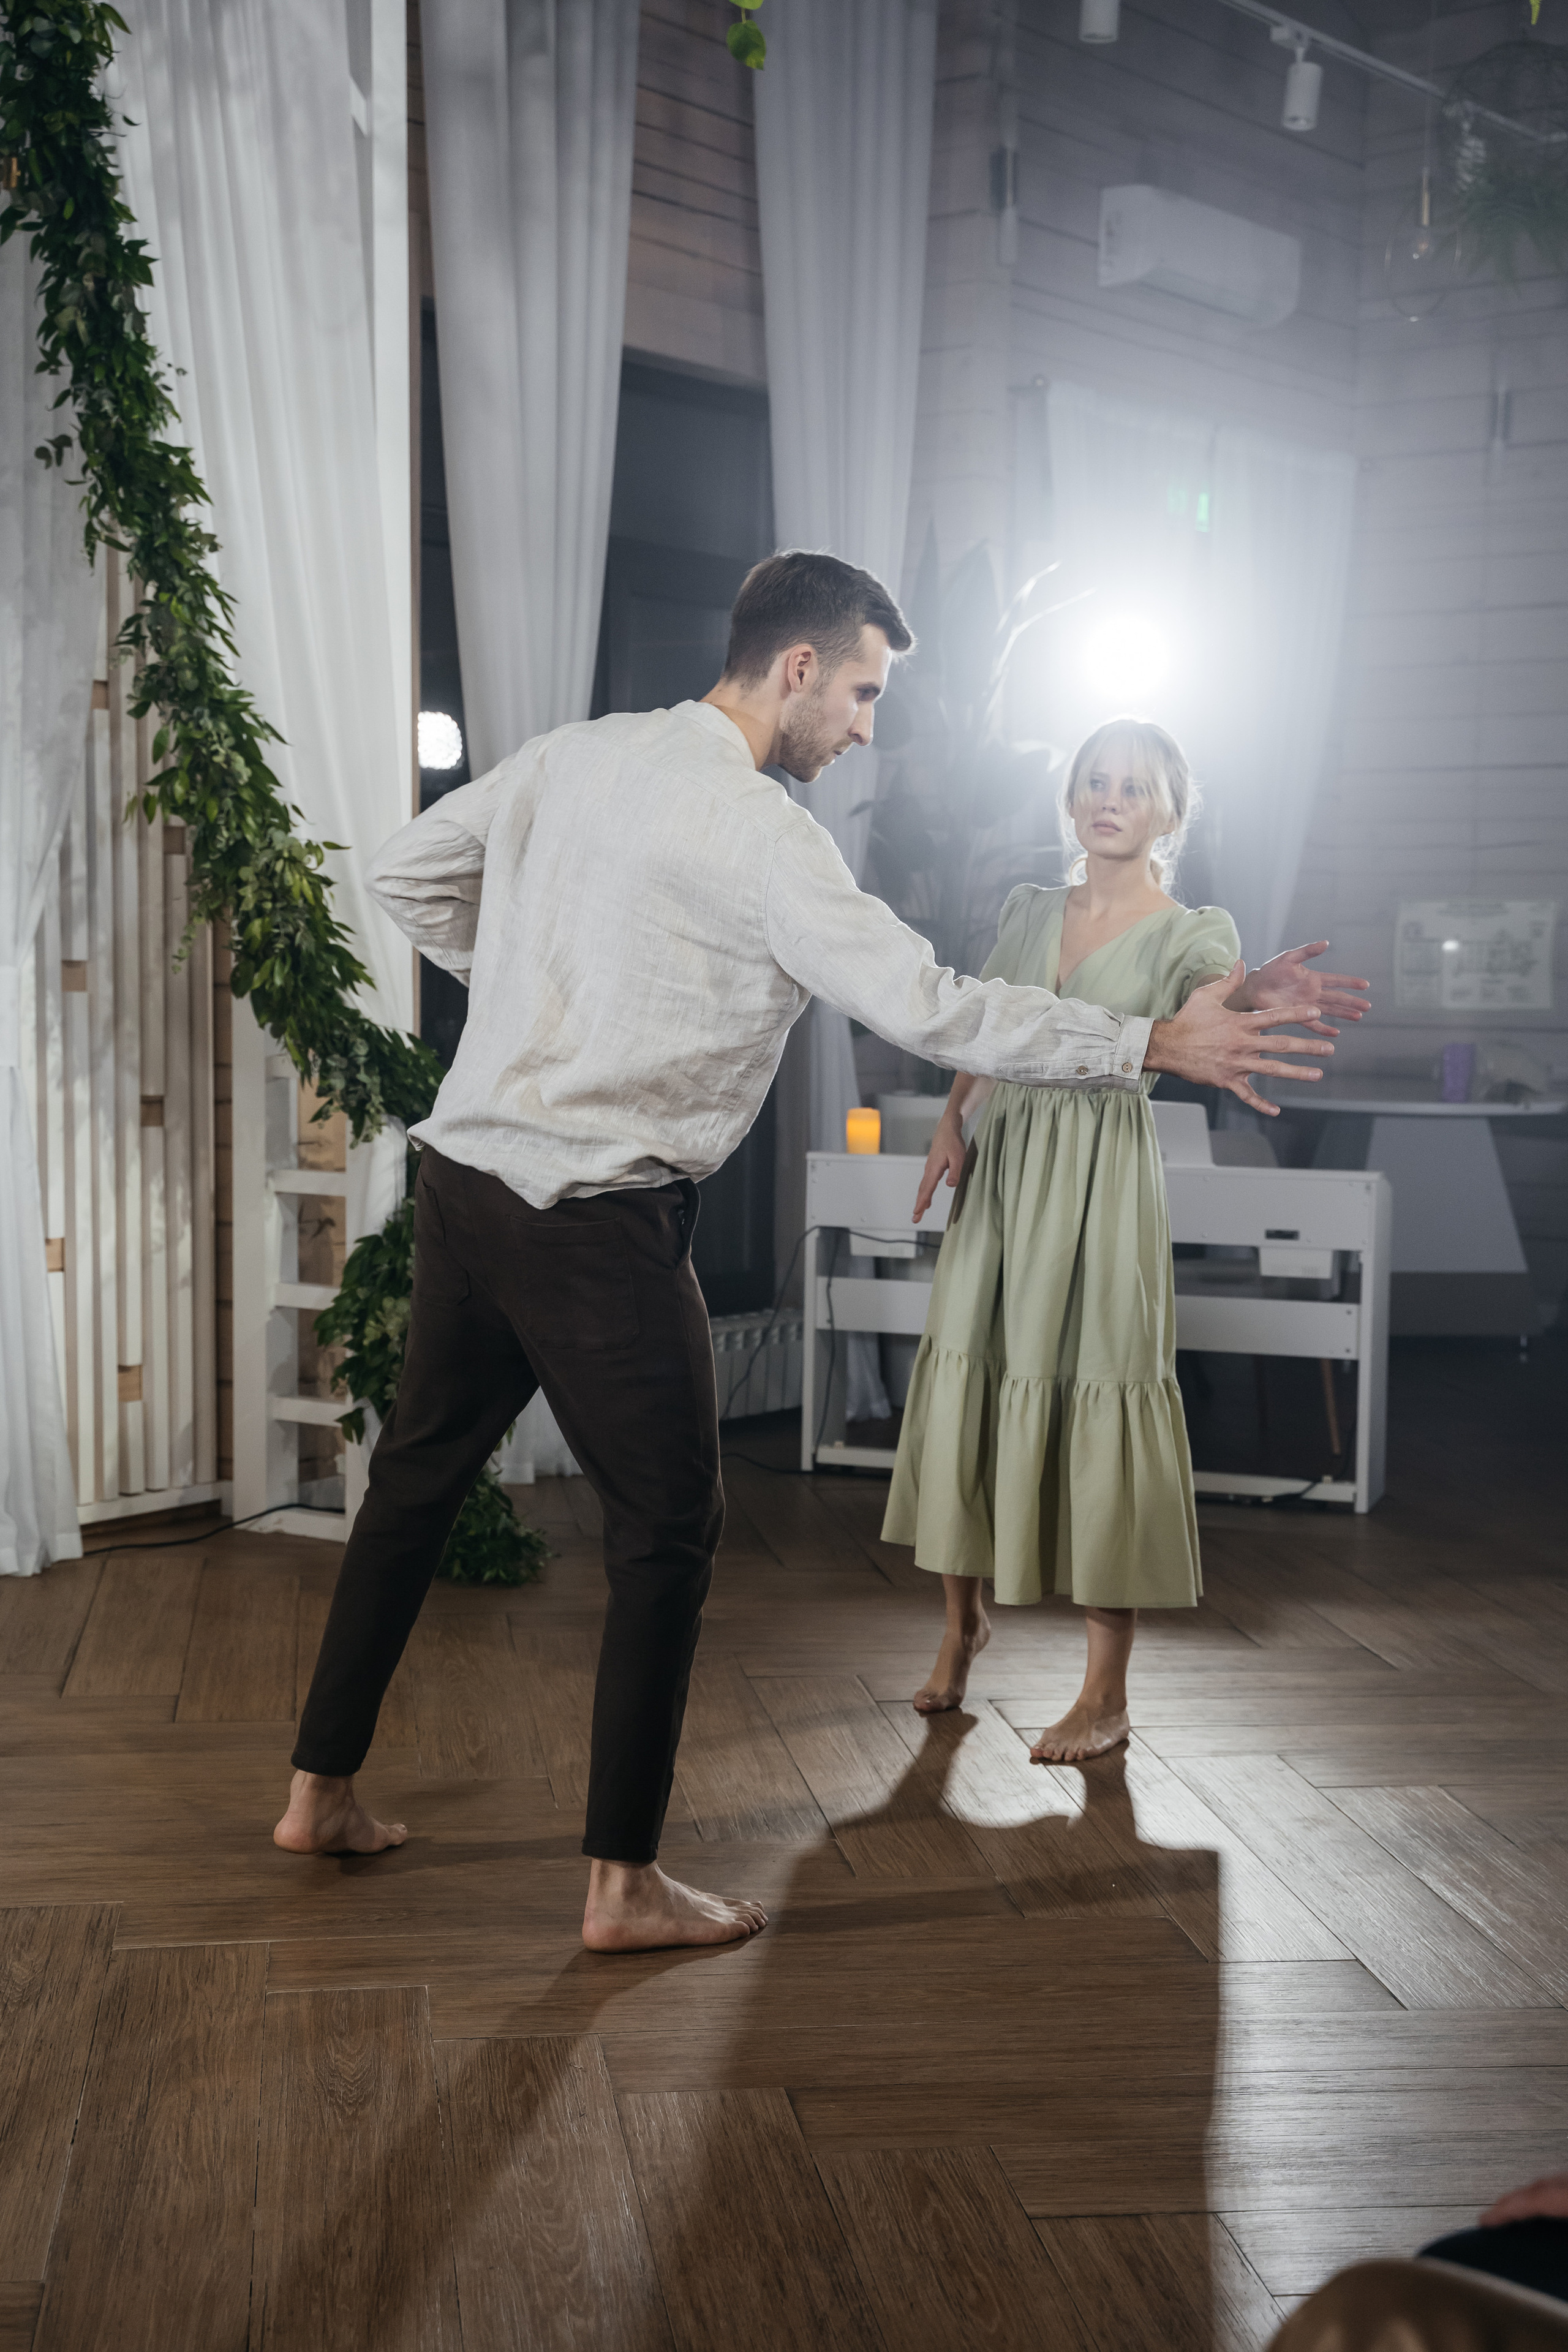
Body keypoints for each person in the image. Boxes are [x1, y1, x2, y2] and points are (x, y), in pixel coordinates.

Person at [274, 560, 1333, 1954]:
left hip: (471, 1181)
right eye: (861, 691)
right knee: (666, 1534)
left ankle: (319, 1796)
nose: (865, 727)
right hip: (597, 1216)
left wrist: (554, 972)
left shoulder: (573, 756)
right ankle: (621, 1885)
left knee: (411, 1481)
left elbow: (410, 874)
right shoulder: (767, 841)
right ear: (794, 672)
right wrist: (1143, 1043)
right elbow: (938, 1008)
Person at [884, 717, 1370, 1759]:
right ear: (1070, 799)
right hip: (1007, 1166)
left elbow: (1199, 1021)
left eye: (1135, 787)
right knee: (974, 1376)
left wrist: (1243, 994)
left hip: (1101, 1180)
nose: (1110, 798)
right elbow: (988, 1024)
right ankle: (962, 1623)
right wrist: (951, 1119)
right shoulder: (1025, 910)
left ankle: (1105, 1693)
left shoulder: (1194, 929)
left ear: (1168, 814)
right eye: (1095, 781)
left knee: (1104, 1388)